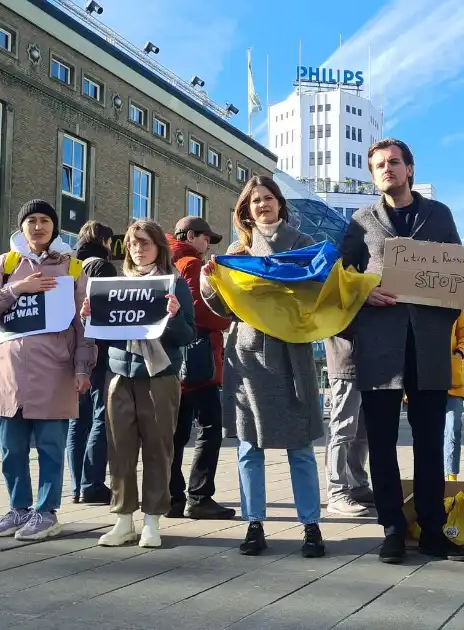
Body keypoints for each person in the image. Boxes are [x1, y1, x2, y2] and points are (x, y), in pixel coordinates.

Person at [339, 138, 464, 564]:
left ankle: (433, 531)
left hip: (430, 345)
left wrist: (442, 319)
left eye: (393, 162)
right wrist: (364, 295)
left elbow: (462, 276)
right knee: (380, 441)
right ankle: (393, 529)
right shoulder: (361, 221)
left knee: (429, 443)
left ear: (410, 169)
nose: (386, 169)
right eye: (378, 165)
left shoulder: (439, 215)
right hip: (379, 346)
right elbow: (339, 281)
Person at [202, 176, 326, 558]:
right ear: (245, 209)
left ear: (279, 204)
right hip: (248, 357)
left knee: (300, 447)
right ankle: (253, 524)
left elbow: (318, 295)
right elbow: (224, 310)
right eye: (254, 200)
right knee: (248, 447)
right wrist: (210, 284)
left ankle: (311, 527)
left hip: (291, 357)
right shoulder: (238, 252)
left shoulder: (304, 246)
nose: (262, 205)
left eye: (268, 198)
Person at [0, 199, 94, 541]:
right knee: (11, 449)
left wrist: (83, 368)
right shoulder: (6, 264)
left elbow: (84, 324)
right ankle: (18, 509)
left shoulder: (72, 268)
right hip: (7, 374)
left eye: (45, 220)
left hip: (54, 373)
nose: (38, 226)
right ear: (21, 227)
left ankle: (46, 512)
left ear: (54, 228)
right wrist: (16, 288)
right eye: (32, 220)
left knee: (51, 448)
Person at [90, 220, 195, 549]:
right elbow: (105, 335)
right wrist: (89, 316)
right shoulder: (116, 284)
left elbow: (188, 335)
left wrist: (175, 316)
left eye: (145, 243)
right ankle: (123, 519)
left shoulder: (175, 285)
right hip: (121, 374)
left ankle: (152, 520)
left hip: (160, 375)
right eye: (133, 244)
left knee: (158, 447)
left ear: (158, 248)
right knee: (119, 448)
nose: (137, 249)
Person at [166, 216, 236, 521]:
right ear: (191, 235)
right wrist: (228, 318)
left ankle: (172, 498)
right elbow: (199, 311)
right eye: (206, 238)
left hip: (171, 360)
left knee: (175, 433)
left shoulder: (166, 261)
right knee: (210, 428)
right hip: (198, 360)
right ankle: (199, 496)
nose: (207, 245)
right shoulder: (191, 264)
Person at [67, 220, 117, 506]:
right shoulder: (102, 268)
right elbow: (107, 312)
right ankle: (93, 484)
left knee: (77, 419)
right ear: (104, 241)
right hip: (98, 350)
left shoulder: (71, 266)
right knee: (101, 416)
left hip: (72, 348)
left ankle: (76, 487)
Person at [323, 330, 374, 517]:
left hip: (366, 365)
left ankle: (358, 486)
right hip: (346, 360)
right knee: (342, 429)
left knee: (362, 434)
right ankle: (336, 493)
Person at [444, 311, 464, 480]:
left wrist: (459, 353)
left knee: (453, 429)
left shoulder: (457, 304)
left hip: (452, 379)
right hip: (425, 376)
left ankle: (451, 477)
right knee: (427, 432)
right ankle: (430, 478)